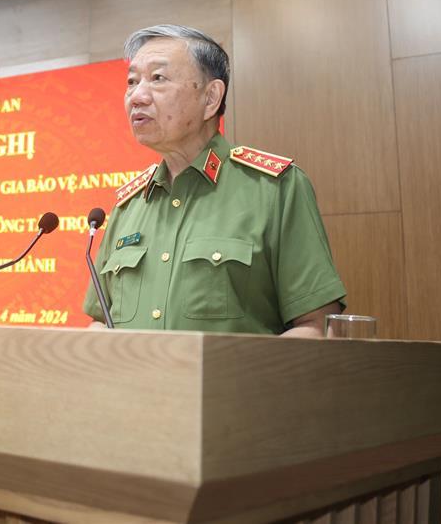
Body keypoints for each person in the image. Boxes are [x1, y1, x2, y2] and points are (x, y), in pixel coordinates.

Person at [83, 25, 345, 337]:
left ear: (211, 98)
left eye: (158, 78)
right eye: (131, 81)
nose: (136, 96)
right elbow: (100, 321)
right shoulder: (129, 205)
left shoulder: (275, 189)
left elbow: (316, 327)